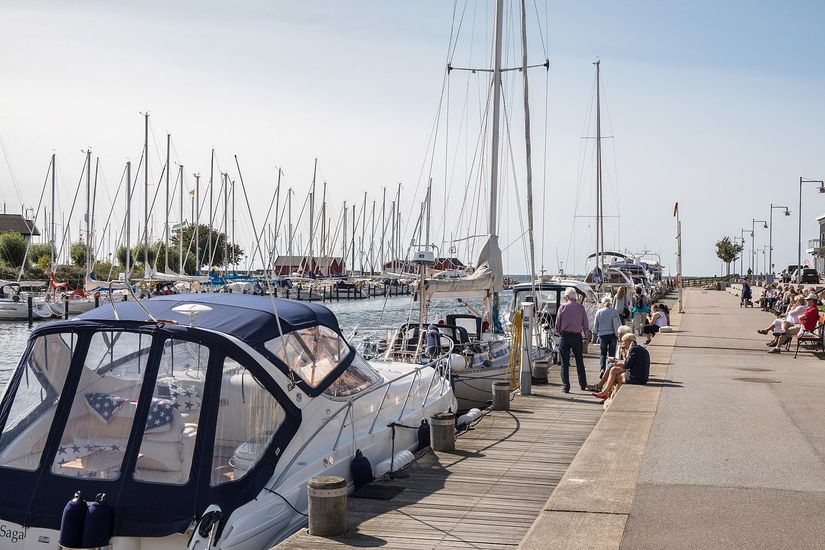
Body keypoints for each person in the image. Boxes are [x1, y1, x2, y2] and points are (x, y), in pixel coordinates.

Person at [592, 333, 650, 400]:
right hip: (642, 376)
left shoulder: (633, 350)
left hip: (636, 378)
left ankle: (606, 393)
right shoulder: (640, 349)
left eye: (623, 341)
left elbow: (627, 365)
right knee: (614, 369)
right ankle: (606, 393)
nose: (622, 343)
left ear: (628, 341)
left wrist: (624, 355)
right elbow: (631, 365)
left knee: (614, 373)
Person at [555, 287, 590, 393]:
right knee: (579, 361)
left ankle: (566, 386)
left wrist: (559, 333)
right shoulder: (581, 307)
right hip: (576, 336)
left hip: (565, 336)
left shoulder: (563, 307)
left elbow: (557, 323)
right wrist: (586, 338)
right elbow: (585, 324)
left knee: (564, 363)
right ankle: (583, 384)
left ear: (567, 296)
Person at [594, 296, 621, 377]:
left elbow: (595, 325)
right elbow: (619, 323)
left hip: (602, 335)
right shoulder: (614, 311)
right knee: (612, 354)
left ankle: (602, 369)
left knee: (603, 353)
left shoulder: (599, 312)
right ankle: (609, 370)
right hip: (613, 334)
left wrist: (596, 333)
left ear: (603, 303)